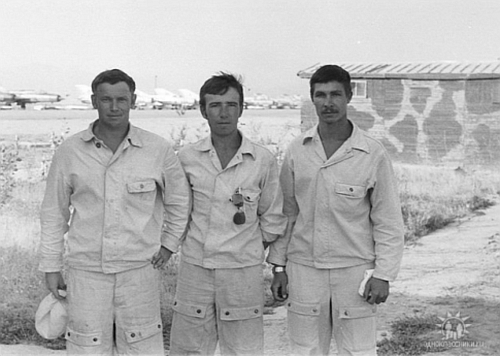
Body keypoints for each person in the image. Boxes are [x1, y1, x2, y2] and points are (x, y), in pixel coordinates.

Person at [39, 69, 190, 355]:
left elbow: (180, 202)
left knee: (142, 344)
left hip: (140, 269)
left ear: (133, 100)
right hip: (86, 270)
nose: (114, 107)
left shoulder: (157, 149)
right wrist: (51, 265)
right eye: (106, 99)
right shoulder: (70, 151)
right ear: (94, 101)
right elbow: (53, 212)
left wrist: (169, 245)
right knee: (86, 345)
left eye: (121, 99)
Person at [267, 64, 404, 356]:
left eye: (335, 94)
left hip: (354, 270)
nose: (328, 103)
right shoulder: (297, 150)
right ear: (312, 98)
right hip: (304, 268)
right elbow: (286, 213)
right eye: (320, 95)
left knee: (358, 351)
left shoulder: (372, 153)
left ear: (349, 96)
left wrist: (384, 274)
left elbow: (388, 220)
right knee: (305, 350)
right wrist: (278, 266)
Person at [169, 73, 287, 355]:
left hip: (242, 271)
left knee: (243, 350)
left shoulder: (262, 160)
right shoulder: (186, 158)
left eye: (231, 105)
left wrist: (274, 264)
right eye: (215, 105)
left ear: (242, 109)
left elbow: (275, 217)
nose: (224, 113)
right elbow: (177, 214)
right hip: (196, 268)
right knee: (188, 348)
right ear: (202, 110)